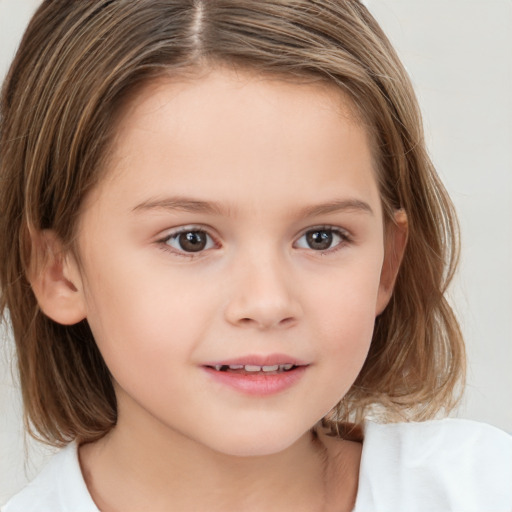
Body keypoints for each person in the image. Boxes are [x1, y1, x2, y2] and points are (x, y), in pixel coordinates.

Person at [0, 1, 510, 511]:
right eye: (191, 239)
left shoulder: (482, 490)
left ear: (388, 263)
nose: (267, 303)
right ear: (59, 271)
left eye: (321, 237)